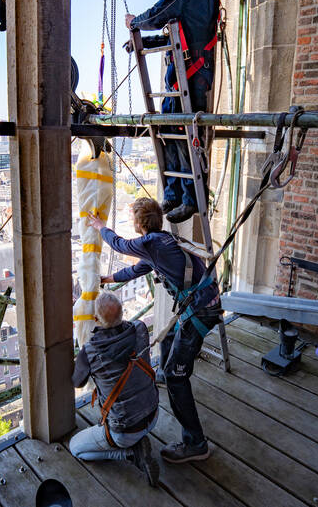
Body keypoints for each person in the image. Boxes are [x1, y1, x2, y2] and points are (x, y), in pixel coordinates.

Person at [87, 198, 222, 463]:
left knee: (176, 377)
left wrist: (100, 226)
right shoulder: (162, 242)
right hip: (205, 305)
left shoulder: (150, 244)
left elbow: (119, 245)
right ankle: (166, 371)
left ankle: (195, 443)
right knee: (169, 337)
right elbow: (138, 269)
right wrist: (109, 279)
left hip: (200, 311)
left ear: (139, 224)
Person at [125, 0, 220, 224]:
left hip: (189, 77)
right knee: (170, 129)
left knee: (183, 134)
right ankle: (175, 193)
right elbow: (176, 37)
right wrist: (143, 43)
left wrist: (134, 23)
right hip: (187, 76)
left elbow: (156, 15)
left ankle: (189, 198)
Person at [69, 291, 160, 486]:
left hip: (124, 431)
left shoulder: (91, 351)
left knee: (75, 447)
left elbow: (77, 382)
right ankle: (137, 445)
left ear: (95, 319)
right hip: (153, 414)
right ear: (122, 312)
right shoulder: (140, 329)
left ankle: (132, 454)